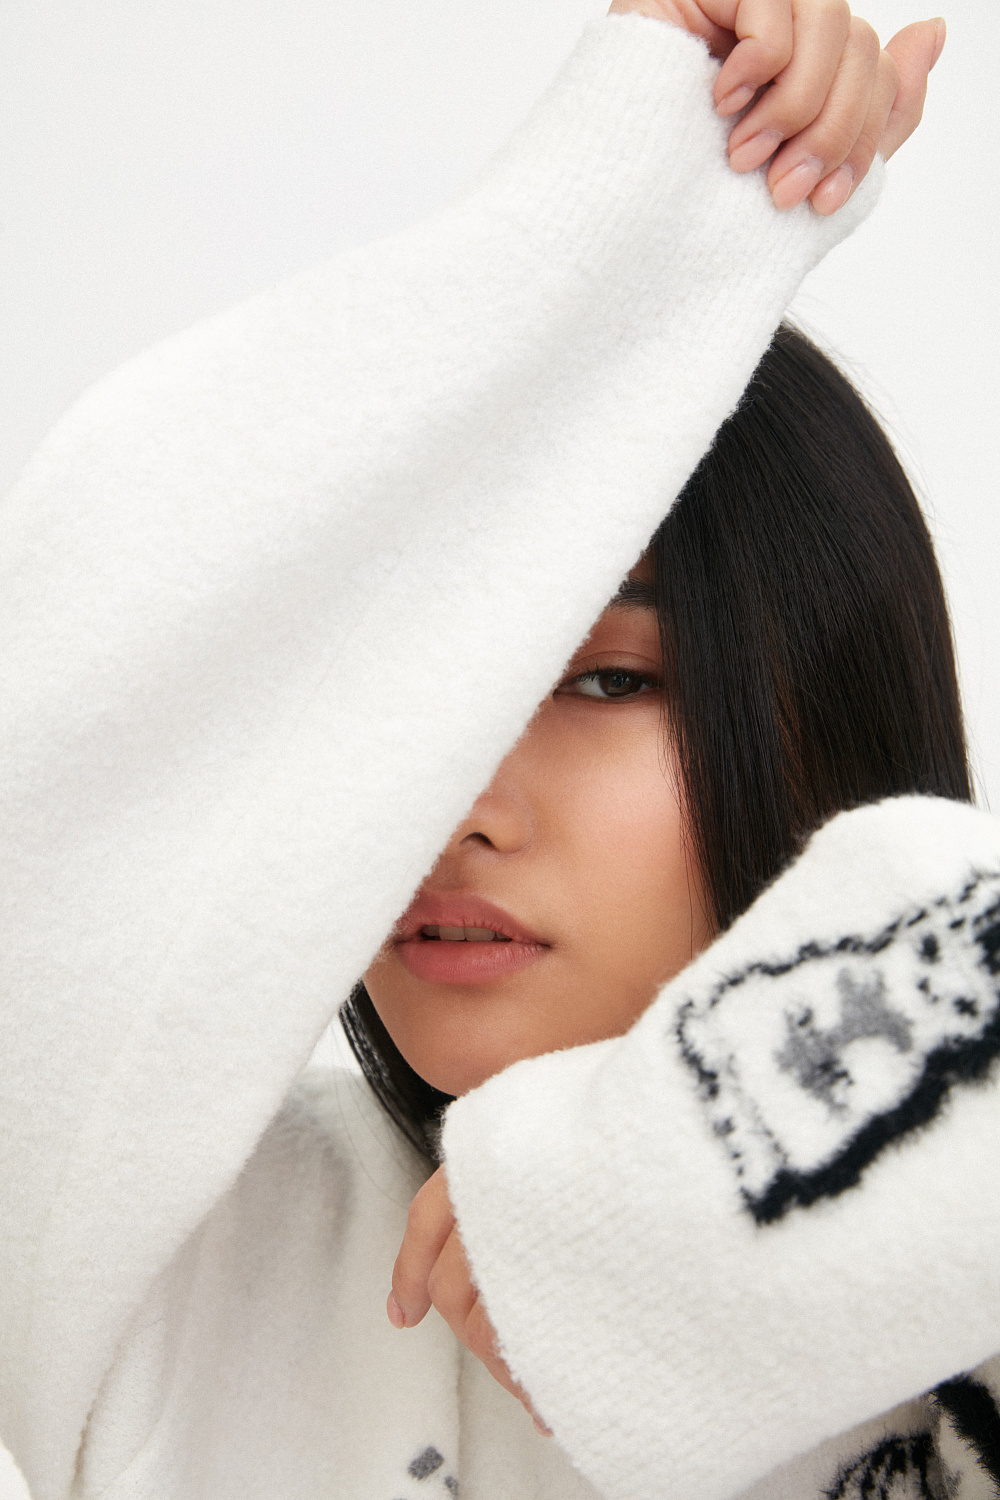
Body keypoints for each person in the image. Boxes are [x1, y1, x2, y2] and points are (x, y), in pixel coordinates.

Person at [0, 2, 997, 1499]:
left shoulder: (958, 1320)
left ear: (829, 711)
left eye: (607, 681)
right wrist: (625, 202)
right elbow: (65, 723)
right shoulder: (187, 1273)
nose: (455, 799)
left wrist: (699, 1194)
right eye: (426, 694)